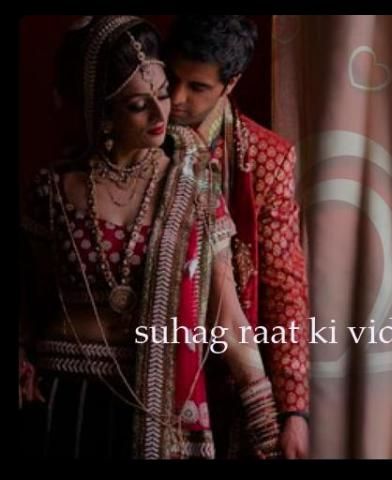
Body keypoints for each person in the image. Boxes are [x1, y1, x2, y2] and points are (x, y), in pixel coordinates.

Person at [19, 15, 281, 459]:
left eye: (162, 94)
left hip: (155, 408)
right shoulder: (54, 190)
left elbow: (229, 320)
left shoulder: (193, 187)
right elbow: (30, 296)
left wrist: (268, 428)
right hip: (63, 403)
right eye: (139, 105)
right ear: (104, 112)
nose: (163, 114)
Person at [165, 15, 310, 459]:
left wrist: (293, 412)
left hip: (228, 371)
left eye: (197, 87)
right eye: (172, 78)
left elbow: (284, 286)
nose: (176, 98)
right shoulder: (142, 136)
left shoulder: (265, 157)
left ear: (231, 83)